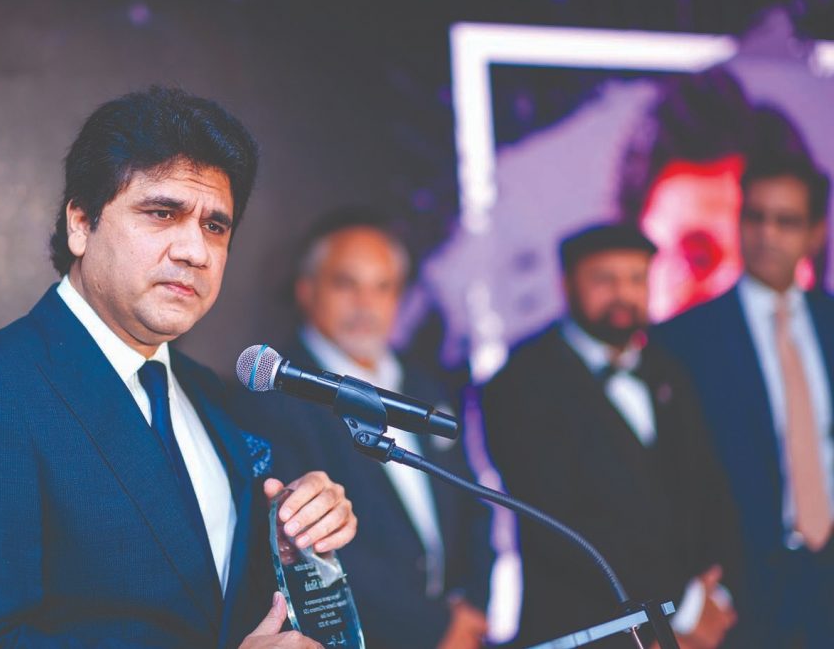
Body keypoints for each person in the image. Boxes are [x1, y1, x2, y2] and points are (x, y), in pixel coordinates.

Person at [0, 87, 358, 649]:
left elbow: (205, 601)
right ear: (80, 223)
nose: (194, 251)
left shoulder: (203, 390)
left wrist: (292, 543)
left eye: (215, 226)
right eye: (162, 213)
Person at [235, 212, 493, 649]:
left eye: (382, 286)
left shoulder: (425, 384)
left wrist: (473, 610)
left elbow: (472, 501)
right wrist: (434, 629)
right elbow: (305, 540)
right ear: (306, 290)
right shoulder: (271, 398)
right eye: (345, 284)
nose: (365, 303)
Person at [481, 224, 743, 648]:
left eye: (636, 279)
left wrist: (714, 595)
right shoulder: (519, 383)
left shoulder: (671, 365)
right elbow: (562, 527)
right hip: (587, 630)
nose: (623, 293)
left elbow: (710, 488)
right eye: (605, 279)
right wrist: (682, 606)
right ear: (566, 283)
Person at [656, 153, 834, 648]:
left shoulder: (830, 323)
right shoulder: (685, 340)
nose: (767, 234)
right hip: (744, 590)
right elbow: (673, 479)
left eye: (786, 221)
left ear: (816, 233)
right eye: (755, 217)